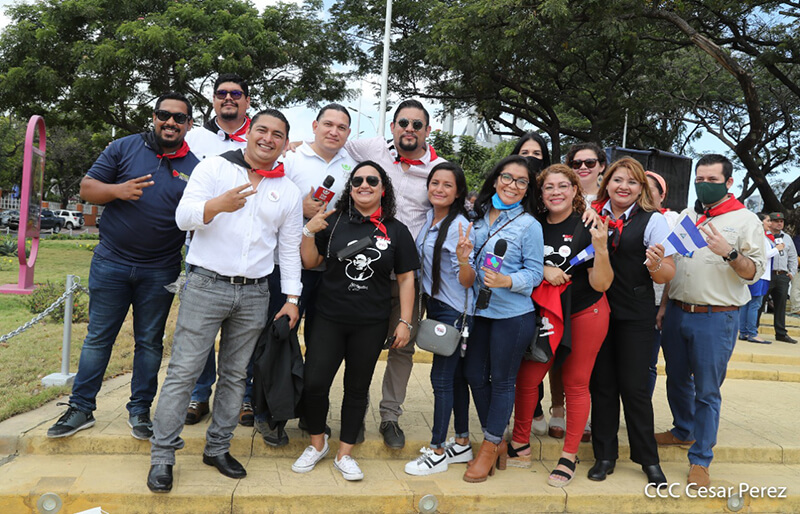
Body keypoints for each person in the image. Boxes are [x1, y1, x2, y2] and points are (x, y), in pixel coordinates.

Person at [147, 109, 302, 493]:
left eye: (277, 134)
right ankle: (163, 455)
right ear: (248, 133)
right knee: (184, 371)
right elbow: (183, 217)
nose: (268, 139)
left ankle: (217, 448)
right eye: (262, 130)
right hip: (206, 284)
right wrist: (217, 205)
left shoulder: (288, 189)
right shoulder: (215, 168)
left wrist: (292, 298)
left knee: (235, 375)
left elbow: (288, 249)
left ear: (285, 143)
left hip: (255, 293)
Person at [47, 92, 199, 441]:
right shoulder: (123, 147)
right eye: (164, 114)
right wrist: (118, 190)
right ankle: (81, 408)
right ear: (154, 117)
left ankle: (140, 411)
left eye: (179, 118)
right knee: (98, 338)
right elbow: (87, 189)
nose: (170, 122)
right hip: (111, 262)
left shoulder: (195, 167)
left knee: (150, 342)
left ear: (189, 124)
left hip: (160, 269)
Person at [292, 161, 419, 481]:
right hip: (328, 317)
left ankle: (345, 453)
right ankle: (317, 444)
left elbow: (406, 278)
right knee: (315, 383)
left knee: (357, 388)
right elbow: (311, 261)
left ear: (383, 189)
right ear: (350, 188)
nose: (364, 185)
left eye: (372, 180)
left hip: (371, 322)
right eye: (358, 180)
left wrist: (405, 322)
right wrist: (308, 231)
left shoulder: (396, 230)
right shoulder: (333, 222)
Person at [252, 103, 358, 446]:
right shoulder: (290, 158)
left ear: (348, 133)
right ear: (314, 125)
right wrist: (301, 207)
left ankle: (311, 414)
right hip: (285, 266)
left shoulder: (352, 166)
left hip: (328, 268)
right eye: (328, 124)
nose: (334, 131)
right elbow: (266, 198)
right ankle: (268, 414)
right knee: (278, 338)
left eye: (342, 127)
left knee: (320, 346)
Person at [657, 154, 765, 490]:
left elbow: (753, 272)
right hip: (677, 311)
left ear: (728, 182)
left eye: (712, 180)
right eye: (699, 179)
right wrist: (664, 306)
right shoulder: (689, 216)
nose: (704, 185)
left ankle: (701, 459)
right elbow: (674, 263)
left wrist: (728, 252)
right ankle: (683, 430)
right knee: (676, 379)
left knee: (706, 390)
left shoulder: (746, 221)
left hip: (716, 317)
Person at [344, 99, 447, 449]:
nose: (409, 129)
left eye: (417, 125)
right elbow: (333, 143)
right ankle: (355, 413)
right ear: (392, 127)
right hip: (367, 272)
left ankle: (390, 416)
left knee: (402, 348)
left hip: (408, 277)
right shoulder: (372, 148)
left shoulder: (438, 168)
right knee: (361, 346)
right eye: (403, 122)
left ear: (427, 130)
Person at [508, 164, 613, 487]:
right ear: (540, 194)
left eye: (563, 186)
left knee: (576, 383)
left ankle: (569, 455)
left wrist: (601, 249)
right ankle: (520, 443)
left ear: (575, 190)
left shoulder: (589, 224)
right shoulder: (532, 224)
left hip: (584, 311)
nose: (556, 192)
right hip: (543, 312)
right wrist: (543, 269)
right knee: (528, 378)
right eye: (549, 187)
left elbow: (601, 284)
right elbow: (516, 262)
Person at [588, 157, 675, 487]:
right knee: (602, 386)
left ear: (641, 189)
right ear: (607, 182)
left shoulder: (654, 220)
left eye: (632, 182)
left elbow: (667, 273)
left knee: (635, 388)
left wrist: (655, 265)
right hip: (596, 310)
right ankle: (604, 456)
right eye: (618, 179)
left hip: (636, 313)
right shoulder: (592, 214)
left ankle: (648, 459)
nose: (623, 186)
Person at [461, 155, 544, 483]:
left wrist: (507, 280)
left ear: (527, 189)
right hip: (479, 312)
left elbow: (535, 273)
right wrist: (463, 259)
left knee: (503, 380)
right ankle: (496, 439)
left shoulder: (529, 225)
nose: (513, 185)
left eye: (522, 181)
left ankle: (489, 445)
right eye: (507, 177)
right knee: (473, 373)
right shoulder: (476, 218)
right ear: (496, 179)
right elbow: (468, 267)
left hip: (513, 315)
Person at [183, 73, 252, 428]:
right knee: (202, 332)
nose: (228, 98)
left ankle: (245, 396)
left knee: (246, 333)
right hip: (203, 247)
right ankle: (199, 395)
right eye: (221, 93)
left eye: (236, 94)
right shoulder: (195, 138)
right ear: (213, 100)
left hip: (249, 254)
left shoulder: (261, 137)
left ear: (247, 101)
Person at [404, 162, 476, 476]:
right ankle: (461, 442)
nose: (439, 189)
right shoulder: (430, 219)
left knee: (442, 379)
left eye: (448, 185)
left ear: (458, 192)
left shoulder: (460, 226)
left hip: (454, 311)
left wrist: (463, 260)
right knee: (455, 378)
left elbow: (468, 280)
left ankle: (436, 451)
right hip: (435, 307)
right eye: (435, 182)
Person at [510, 133, 551, 436]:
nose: (530, 158)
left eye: (537, 154)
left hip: (544, 287)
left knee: (536, 351)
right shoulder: (509, 196)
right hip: (509, 287)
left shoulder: (549, 199)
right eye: (525, 152)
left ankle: (536, 407)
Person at [646, 170, 681, 394]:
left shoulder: (672, 220)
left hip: (655, 301)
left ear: (662, 195)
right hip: (623, 299)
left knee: (648, 362)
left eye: (649, 190)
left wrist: (664, 305)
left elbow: (675, 265)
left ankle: (640, 409)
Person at [740, 213, 776, 344]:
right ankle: (752, 333)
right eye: (768, 220)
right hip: (760, 275)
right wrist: (777, 249)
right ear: (760, 222)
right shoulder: (760, 237)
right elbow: (763, 255)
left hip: (758, 274)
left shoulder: (761, 236)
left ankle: (744, 332)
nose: (770, 223)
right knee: (755, 304)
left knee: (748, 304)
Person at [762, 212, 798, 343]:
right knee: (759, 303)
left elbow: (793, 257)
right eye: (776, 221)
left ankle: (781, 333)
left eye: (781, 221)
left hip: (782, 275)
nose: (779, 224)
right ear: (770, 222)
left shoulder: (787, 238)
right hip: (767, 275)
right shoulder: (764, 236)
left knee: (781, 306)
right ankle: (752, 330)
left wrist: (791, 273)